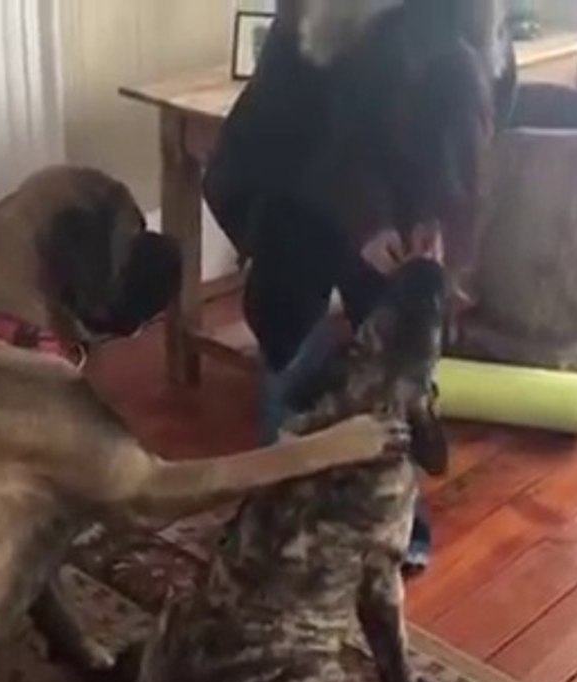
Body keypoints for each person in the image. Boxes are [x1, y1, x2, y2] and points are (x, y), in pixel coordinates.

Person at [204, 0, 516, 572]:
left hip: (403, 197)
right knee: (288, 339)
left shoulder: (472, 32)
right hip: (298, 186)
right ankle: (278, 505)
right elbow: (283, 139)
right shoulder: (313, 23)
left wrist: (437, 224)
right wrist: (363, 222)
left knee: (404, 360)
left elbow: (473, 145)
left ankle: (394, 522)